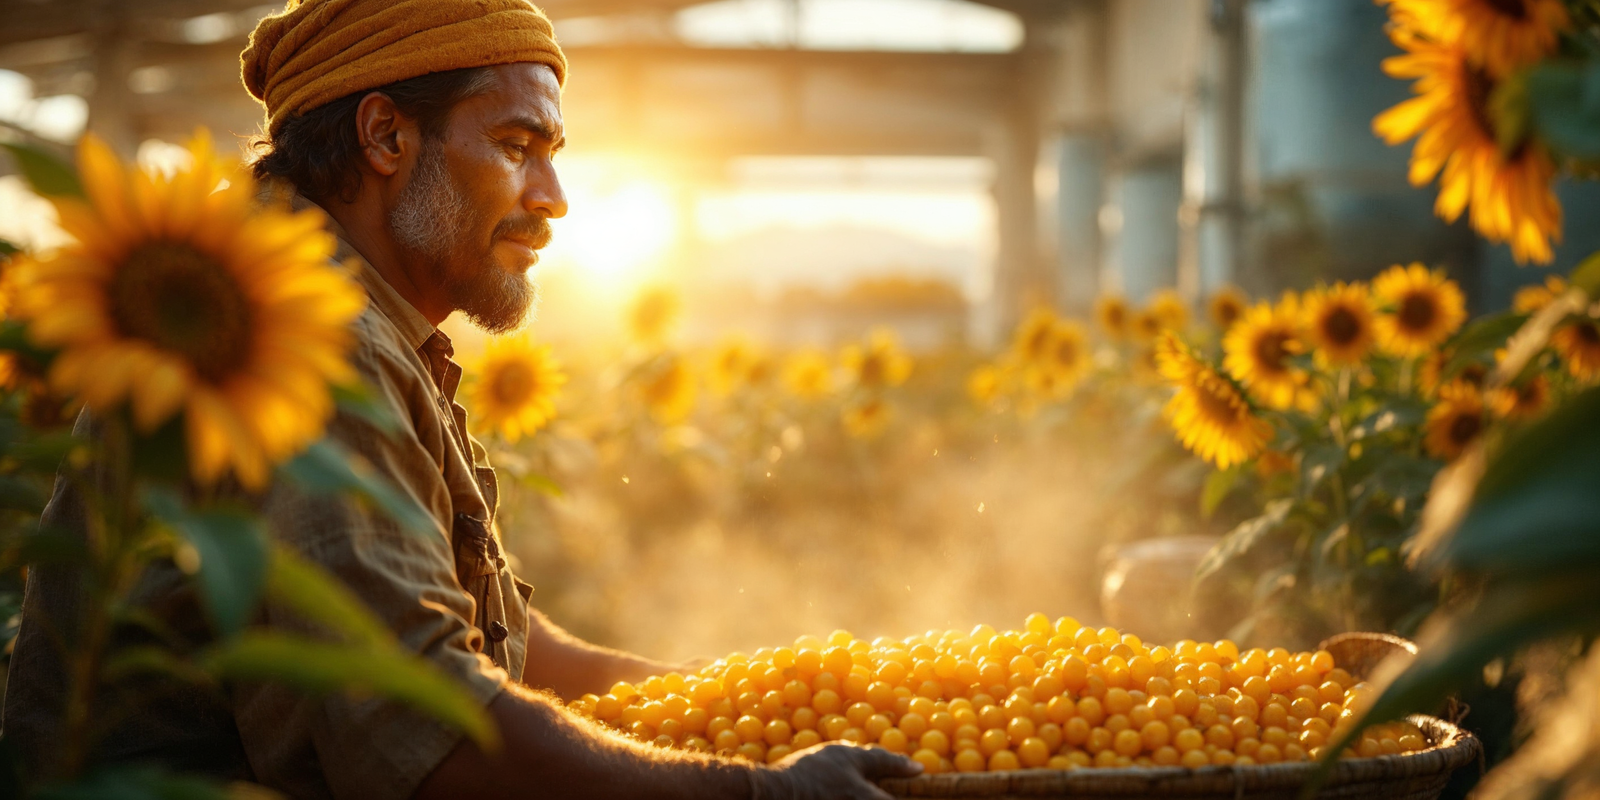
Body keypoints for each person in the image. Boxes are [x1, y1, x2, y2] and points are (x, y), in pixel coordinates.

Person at [1, 1, 920, 797]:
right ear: (387, 137)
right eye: (518, 146)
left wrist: (714, 700)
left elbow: (469, 628)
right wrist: (750, 793)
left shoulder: (351, 312)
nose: (554, 197)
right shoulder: (298, 343)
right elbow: (425, 738)